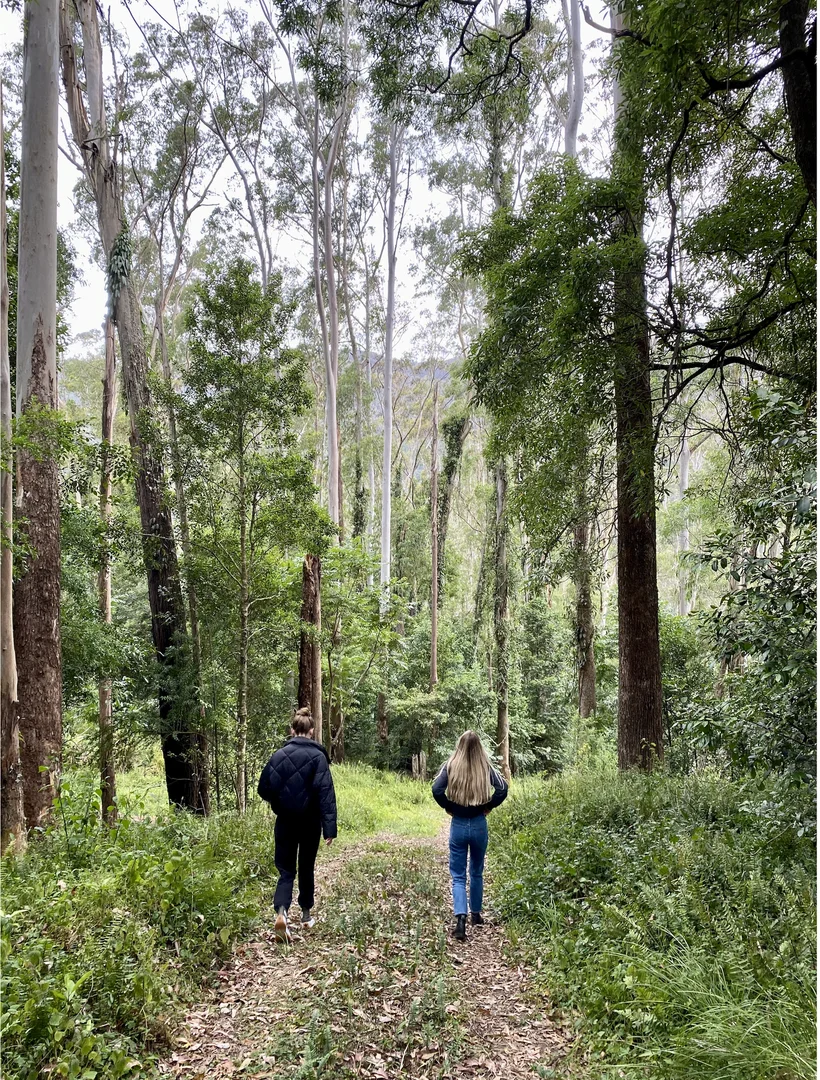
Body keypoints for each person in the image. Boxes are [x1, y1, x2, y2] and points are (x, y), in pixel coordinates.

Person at [257, 707, 337, 944]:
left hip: (285, 822)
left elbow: (264, 788)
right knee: (306, 866)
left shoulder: (279, 755)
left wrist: (279, 802)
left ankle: (281, 912)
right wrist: (329, 828)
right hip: (310, 823)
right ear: (311, 732)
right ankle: (305, 915)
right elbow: (326, 794)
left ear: (292, 730)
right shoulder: (319, 758)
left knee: (286, 870)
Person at [432, 731, 508, 941]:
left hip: (458, 824)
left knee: (458, 874)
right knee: (476, 871)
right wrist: (489, 806)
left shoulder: (451, 765)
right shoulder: (485, 766)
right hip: (478, 824)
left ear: (460, 746)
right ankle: (476, 914)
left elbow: (436, 789)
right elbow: (502, 788)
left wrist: (448, 806)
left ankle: (460, 920)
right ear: (479, 747)